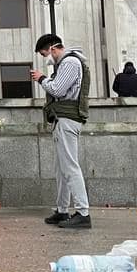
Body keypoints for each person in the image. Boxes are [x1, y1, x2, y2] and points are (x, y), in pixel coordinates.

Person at [32, 34, 91, 230]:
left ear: (53, 48)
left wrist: (42, 79)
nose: (47, 58)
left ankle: (83, 213)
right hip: (62, 118)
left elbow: (57, 90)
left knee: (70, 167)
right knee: (62, 168)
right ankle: (62, 210)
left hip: (67, 118)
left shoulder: (70, 62)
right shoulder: (67, 63)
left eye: (45, 54)